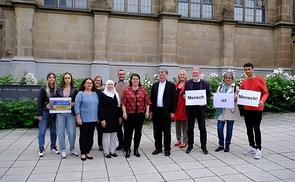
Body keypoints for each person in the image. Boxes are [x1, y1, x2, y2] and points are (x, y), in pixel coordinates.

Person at [241, 62, 269, 159]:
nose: (247, 71)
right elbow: (242, 94)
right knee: (249, 129)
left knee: (256, 128)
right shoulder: (244, 81)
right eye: (246, 69)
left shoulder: (259, 80)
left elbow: (265, 93)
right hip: (247, 109)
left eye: (249, 69)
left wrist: (262, 100)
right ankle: (252, 146)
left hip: (257, 109)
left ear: (253, 69)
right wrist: (238, 93)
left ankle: (259, 149)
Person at [121, 73, 151, 158]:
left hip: (140, 114)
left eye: (137, 79)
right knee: (128, 132)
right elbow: (123, 103)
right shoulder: (127, 90)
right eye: (134, 79)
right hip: (129, 114)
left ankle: (136, 149)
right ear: (131, 80)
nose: (135, 80)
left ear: (139, 80)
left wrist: (147, 112)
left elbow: (147, 102)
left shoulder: (143, 90)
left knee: (138, 133)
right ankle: (127, 149)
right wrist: (124, 112)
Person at [150, 68, 176, 156]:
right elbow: (152, 99)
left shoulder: (171, 86)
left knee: (166, 131)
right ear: (158, 76)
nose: (161, 76)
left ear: (166, 75)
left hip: (166, 112)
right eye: (160, 75)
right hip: (157, 111)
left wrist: (172, 111)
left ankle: (167, 149)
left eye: (163, 75)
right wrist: (151, 111)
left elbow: (174, 100)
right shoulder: (155, 85)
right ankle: (158, 148)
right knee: (156, 131)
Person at [184, 67, 210, 154]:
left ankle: (204, 147)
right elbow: (184, 93)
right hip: (190, 110)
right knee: (190, 128)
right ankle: (190, 146)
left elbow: (208, 95)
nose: (195, 74)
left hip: (200, 110)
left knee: (202, 128)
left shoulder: (205, 84)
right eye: (194, 73)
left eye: (196, 73)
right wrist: (184, 96)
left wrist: (204, 101)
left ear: (200, 74)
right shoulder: (188, 83)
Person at [214, 71, 241, 153]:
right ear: (224, 79)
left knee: (229, 129)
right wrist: (214, 98)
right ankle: (221, 144)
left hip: (230, 111)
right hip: (221, 110)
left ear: (232, 79)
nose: (227, 79)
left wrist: (236, 98)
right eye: (226, 78)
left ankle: (227, 145)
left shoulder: (235, 88)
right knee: (219, 128)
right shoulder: (220, 87)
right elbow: (218, 96)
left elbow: (239, 98)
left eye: (229, 78)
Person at [75, 78, 99, 161]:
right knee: (83, 135)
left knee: (90, 135)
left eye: (91, 83)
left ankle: (88, 151)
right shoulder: (80, 94)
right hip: (84, 119)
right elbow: (77, 106)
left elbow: (98, 106)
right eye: (87, 83)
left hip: (93, 119)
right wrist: (78, 117)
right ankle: (83, 152)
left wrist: (98, 117)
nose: (89, 84)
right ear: (84, 84)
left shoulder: (95, 94)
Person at [56, 72, 79, 158]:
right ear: (63, 79)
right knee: (61, 131)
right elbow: (54, 100)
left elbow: (78, 101)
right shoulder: (58, 90)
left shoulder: (75, 90)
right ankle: (63, 149)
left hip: (70, 113)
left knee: (72, 132)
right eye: (65, 78)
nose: (67, 79)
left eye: (69, 78)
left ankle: (72, 148)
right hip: (60, 113)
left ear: (71, 79)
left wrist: (74, 103)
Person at [37, 72, 60, 157]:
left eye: (53, 77)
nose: (51, 79)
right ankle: (41, 148)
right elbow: (39, 100)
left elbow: (59, 100)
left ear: (55, 79)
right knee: (42, 131)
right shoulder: (43, 88)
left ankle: (53, 147)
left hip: (53, 113)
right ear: (47, 79)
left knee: (53, 131)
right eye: (50, 77)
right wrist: (39, 113)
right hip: (44, 112)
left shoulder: (57, 89)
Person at [99, 80, 122, 158]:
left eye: (112, 85)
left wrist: (120, 117)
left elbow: (119, 107)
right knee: (106, 135)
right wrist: (102, 119)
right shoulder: (103, 95)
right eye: (109, 85)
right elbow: (100, 108)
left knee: (114, 134)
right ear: (106, 86)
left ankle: (112, 151)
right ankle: (106, 152)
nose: (110, 86)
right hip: (106, 118)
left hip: (115, 117)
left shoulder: (116, 94)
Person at [173, 70, 188, 149]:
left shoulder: (188, 84)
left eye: (183, 74)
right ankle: (178, 139)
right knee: (177, 123)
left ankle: (185, 140)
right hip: (177, 106)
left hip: (184, 106)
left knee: (184, 124)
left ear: (185, 76)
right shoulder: (175, 85)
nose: (182, 76)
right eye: (180, 75)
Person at [114, 69, 129, 150]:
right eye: (119, 74)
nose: (121, 75)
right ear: (117, 75)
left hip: (127, 109)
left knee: (127, 127)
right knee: (118, 128)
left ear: (125, 75)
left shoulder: (128, 85)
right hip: (117, 109)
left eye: (122, 74)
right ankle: (121, 143)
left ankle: (127, 144)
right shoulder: (115, 85)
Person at [93, 75, 104, 151]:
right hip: (92, 112)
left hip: (100, 112)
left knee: (100, 131)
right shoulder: (91, 90)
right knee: (90, 130)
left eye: (99, 81)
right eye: (96, 80)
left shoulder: (103, 91)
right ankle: (89, 144)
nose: (97, 82)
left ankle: (100, 144)